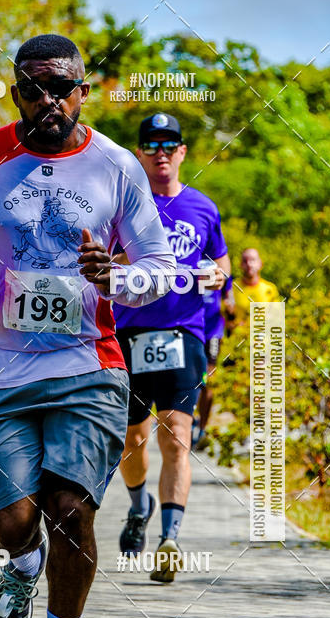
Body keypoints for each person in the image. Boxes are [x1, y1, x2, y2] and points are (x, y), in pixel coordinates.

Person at [0, 34, 176, 618]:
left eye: (60, 86)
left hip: (88, 365)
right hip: (2, 369)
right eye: (33, 88)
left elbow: (159, 265)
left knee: (71, 511)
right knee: (14, 518)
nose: (48, 100)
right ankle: (20, 563)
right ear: (16, 93)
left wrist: (117, 277)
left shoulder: (117, 166)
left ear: (82, 91)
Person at [113, 113, 230, 582]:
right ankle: (138, 503)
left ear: (182, 152)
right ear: (140, 153)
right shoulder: (124, 205)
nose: (161, 152)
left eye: (170, 144)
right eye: (151, 144)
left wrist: (217, 274)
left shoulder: (204, 207)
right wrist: (133, 261)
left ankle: (170, 538)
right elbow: (102, 260)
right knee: (133, 441)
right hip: (131, 329)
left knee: (176, 436)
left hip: (185, 331)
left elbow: (221, 263)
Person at [193, 273, 235, 449]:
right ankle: (190, 418)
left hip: (212, 332)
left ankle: (202, 429)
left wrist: (229, 307)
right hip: (190, 328)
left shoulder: (219, 268)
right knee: (191, 379)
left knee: (208, 380)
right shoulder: (188, 259)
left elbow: (229, 298)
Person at [232, 248, 280, 319]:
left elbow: (277, 318)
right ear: (240, 264)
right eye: (245, 261)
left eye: (253, 260)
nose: (249, 264)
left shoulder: (270, 289)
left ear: (261, 264)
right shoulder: (231, 288)